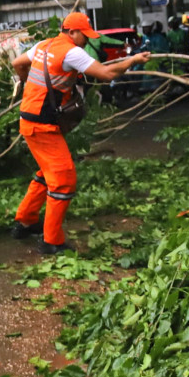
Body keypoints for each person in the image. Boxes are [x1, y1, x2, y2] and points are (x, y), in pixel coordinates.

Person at [10, 13, 150, 254]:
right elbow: (106, 74)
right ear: (72, 32)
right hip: (42, 126)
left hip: (29, 119)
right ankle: (51, 242)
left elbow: (17, 64)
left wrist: (27, 84)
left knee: (48, 172)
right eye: (84, 35)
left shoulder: (43, 45)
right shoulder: (72, 52)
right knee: (63, 180)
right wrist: (132, 60)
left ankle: (25, 221)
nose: (87, 40)